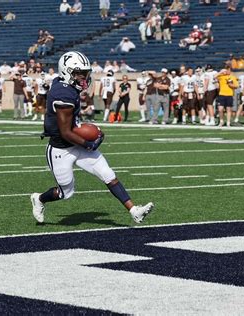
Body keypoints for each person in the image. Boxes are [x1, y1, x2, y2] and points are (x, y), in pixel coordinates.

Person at [30, 51, 154, 224]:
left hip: (75, 142)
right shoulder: (63, 94)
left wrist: (86, 130)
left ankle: (134, 210)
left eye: (85, 73)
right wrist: (89, 143)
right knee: (66, 192)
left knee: (108, 174)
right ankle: (39, 199)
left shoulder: (64, 84)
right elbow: (65, 132)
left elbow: (71, 126)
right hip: (60, 148)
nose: (83, 77)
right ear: (67, 72)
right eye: (79, 73)